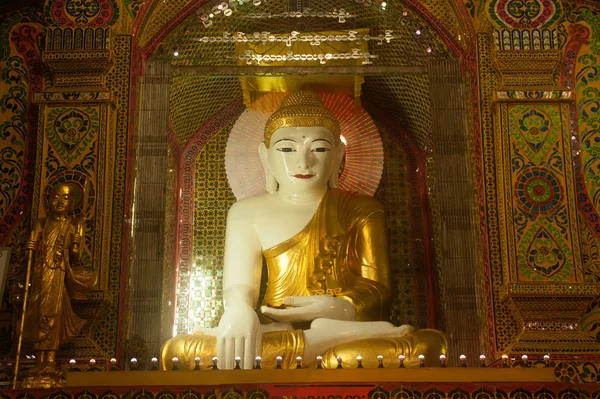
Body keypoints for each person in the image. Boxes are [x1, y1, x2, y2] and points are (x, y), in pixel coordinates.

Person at [161, 91, 446, 369]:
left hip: (347, 327)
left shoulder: (362, 208)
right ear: (265, 156)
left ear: (338, 154)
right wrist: (238, 310)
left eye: (319, 148)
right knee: (181, 352)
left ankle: (329, 336)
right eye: (286, 148)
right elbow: (240, 285)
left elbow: (377, 287)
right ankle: (321, 340)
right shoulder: (245, 212)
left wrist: (340, 308)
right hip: (277, 327)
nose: (303, 162)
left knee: (427, 347)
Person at [23, 183, 97, 367]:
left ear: (72, 203)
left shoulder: (73, 225)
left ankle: (49, 360)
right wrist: (30, 247)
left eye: (65, 198)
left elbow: (75, 258)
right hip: (41, 273)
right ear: (48, 201)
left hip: (60, 272)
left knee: (54, 313)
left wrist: (75, 245)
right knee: (39, 311)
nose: (60, 202)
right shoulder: (41, 223)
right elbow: (30, 253)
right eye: (55, 197)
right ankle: (39, 361)